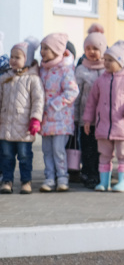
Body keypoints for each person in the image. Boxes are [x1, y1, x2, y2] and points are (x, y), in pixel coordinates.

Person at [82, 41, 124, 192]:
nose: (107, 63)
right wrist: (87, 119)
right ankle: (104, 182)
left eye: (111, 60)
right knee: (104, 154)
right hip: (103, 126)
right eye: (105, 60)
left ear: (121, 62)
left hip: (122, 126)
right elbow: (91, 102)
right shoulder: (100, 81)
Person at [0, 39, 44, 195]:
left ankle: (26, 181)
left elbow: (38, 100)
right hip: (6, 126)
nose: (13, 60)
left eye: (17, 57)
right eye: (12, 56)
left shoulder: (33, 79)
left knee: (25, 156)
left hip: (24, 127)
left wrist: (35, 119)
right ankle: (7, 180)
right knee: (6, 155)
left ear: (28, 59)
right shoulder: (4, 77)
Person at [38, 33, 79, 192]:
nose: (42, 51)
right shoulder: (42, 69)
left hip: (61, 119)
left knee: (58, 150)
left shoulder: (65, 69)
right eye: (42, 48)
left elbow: (72, 91)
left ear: (56, 50)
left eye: (46, 48)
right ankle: (49, 178)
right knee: (46, 150)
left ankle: (62, 178)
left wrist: (53, 104)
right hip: (46, 119)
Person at [74, 31, 107, 189]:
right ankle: (88, 173)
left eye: (95, 48)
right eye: (88, 48)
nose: (91, 52)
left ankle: (102, 173)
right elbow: (76, 95)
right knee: (87, 147)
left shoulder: (108, 68)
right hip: (85, 119)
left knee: (102, 148)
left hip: (104, 119)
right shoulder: (81, 70)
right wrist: (74, 117)